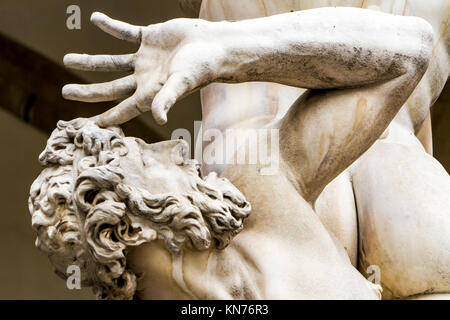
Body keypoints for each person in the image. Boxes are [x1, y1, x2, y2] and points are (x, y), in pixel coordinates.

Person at [33, 3, 446, 299]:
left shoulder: (246, 202)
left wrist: (222, 46)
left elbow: (413, 48)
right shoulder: (253, 195)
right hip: (396, 159)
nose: (175, 148)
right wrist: (224, 48)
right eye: (144, 155)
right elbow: (413, 48)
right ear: (124, 225)